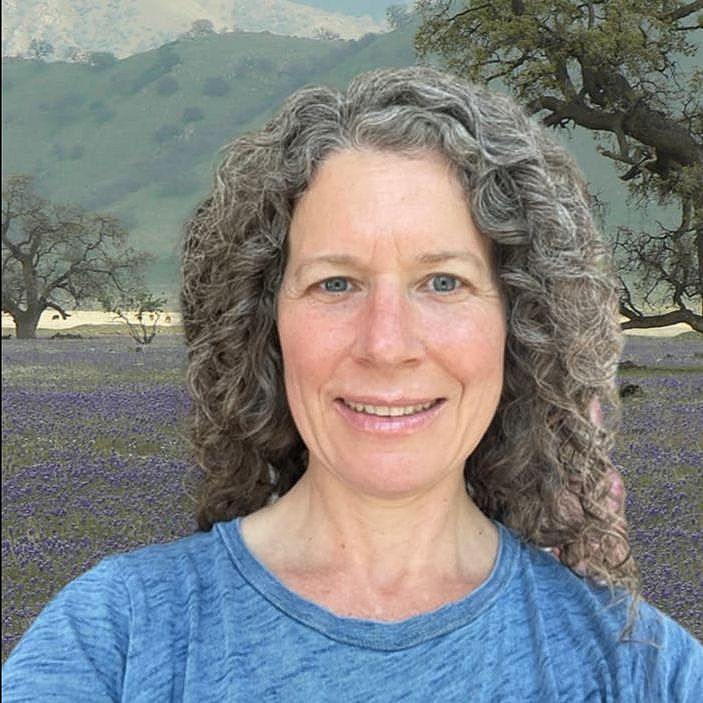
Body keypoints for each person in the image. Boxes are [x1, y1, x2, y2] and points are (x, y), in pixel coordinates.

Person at [3, 66, 701, 701]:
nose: (386, 343)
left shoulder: (643, 670)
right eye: (335, 282)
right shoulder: (116, 640)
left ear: (520, 322)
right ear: (262, 322)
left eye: (443, 282)